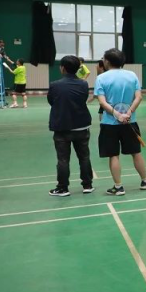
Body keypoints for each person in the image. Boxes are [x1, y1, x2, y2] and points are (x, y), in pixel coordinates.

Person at [95, 48, 146, 196]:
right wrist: (128, 113)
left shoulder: (101, 78)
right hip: (130, 122)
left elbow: (102, 102)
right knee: (136, 152)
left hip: (109, 124)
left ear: (107, 61)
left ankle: (118, 187)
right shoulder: (132, 75)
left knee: (113, 155)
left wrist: (117, 114)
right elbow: (139, 97)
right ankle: (145, 181)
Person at [47, 55, 94, 197]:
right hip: (81, 127)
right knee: (84, 157)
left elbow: (51, 101)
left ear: (62, 68)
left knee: (63, 159)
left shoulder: (54, 85)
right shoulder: (83, 84)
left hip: (62, 128)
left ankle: (63, 188)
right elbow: (83, 99)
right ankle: (87, 185)